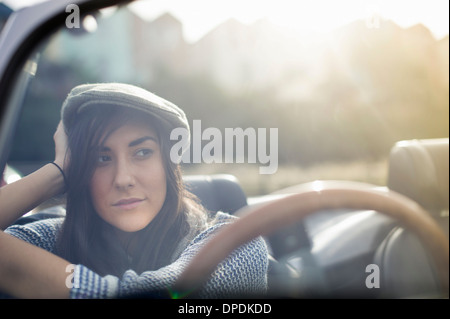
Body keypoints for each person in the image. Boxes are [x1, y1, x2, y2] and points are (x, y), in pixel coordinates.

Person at [0, 83, 268, 298]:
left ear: (168, 163)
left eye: (142, 152)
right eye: (100, 159)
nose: (123, 179)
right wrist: (58, 172)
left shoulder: (237, 245)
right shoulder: (52, 238)